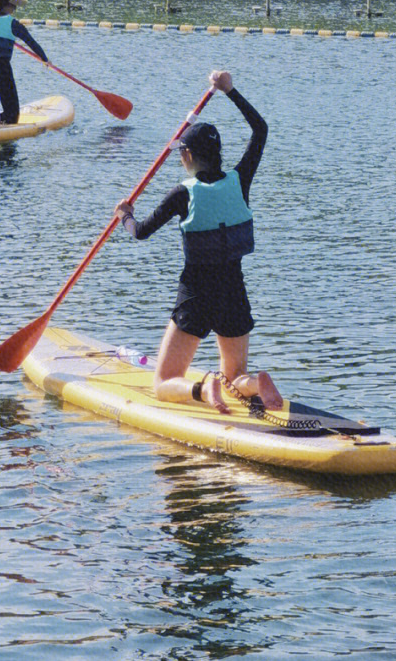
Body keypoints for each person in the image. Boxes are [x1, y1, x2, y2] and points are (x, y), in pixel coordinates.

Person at [114, 69, 283, 415]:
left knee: (163, 382)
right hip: (234, 290)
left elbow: (141, 231)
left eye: (181, 153)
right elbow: (260, 130)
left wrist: (124, 216)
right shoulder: (240, 180)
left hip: (196, 293)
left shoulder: (182, 193)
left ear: (188, 156)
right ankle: (254, 382)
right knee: (235, 375)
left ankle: (204, 388)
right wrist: (231, 91)